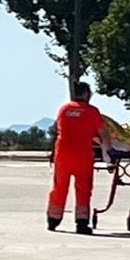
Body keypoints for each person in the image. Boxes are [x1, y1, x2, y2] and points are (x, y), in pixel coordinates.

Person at [46, 82, 109, 234]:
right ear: (86, 93)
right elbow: (103, 134)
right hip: (82, 155)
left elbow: (59, 130)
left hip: (62, 154)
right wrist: (108, 152)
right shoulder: (91, 111)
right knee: (83, 189)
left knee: (59, 187)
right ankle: (81, 222)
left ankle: (53, 220)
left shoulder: (64, 109)